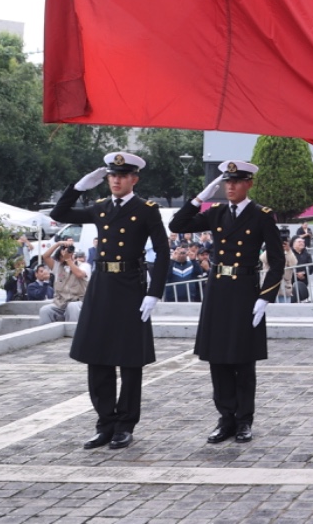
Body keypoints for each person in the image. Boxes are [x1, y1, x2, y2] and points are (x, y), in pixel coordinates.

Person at [51, 151, 170, 451]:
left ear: (134, 179)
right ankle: (105, 423)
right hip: (102, 286)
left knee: (129, 360)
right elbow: (60, 213)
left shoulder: (146, 210)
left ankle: (125, 425)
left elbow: (163, 251)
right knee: (98, 356)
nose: (116, 181)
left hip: (130, 286)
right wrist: (79, 187)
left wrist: (154, 292)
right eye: (112, 176)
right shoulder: (101, 207)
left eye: (122, 176)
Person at [169, 160, 286, 444]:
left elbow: (277, 260)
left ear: (249, 184)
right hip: (218, 290)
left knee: (243, 360)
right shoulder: (217, 213)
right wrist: (199, 199)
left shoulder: (261, 215)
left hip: (245, 290)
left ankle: (244, 420)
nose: (230, 187)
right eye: (227, 182)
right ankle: (226, 418)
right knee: (218, 358)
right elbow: (177, 224)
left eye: (236, 182)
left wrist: (265, 297)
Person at [39, 238, 89, 323]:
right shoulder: (58, 267)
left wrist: (68, 259)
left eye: (68, 254)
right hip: (61, 303)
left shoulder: (84, 265)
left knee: (72, 306)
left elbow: (79, 274)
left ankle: (72, 331)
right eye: (62, 256)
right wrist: (58, 243)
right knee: (45, 310)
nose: (65, 257)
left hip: (79, 302)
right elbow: (45, 256)